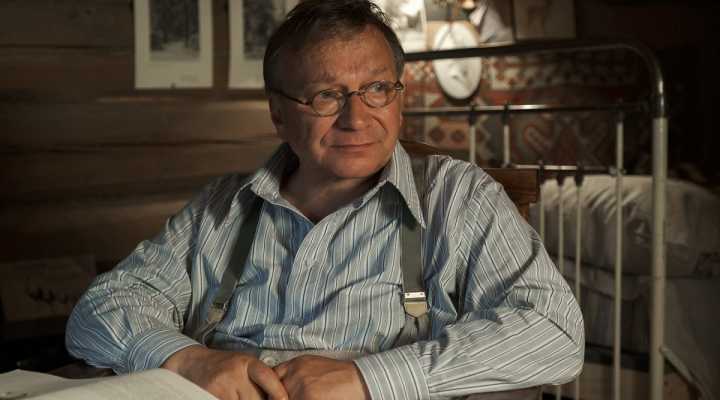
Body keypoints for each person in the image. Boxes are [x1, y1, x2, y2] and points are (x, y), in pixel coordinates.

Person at [66, 1, 584, 399]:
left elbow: (554, 331)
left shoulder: (459, 198)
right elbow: (100, 311)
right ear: (278, 114)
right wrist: (187, 359)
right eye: (326, 96)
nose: (357, 119)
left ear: (399, 98)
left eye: (376, 89)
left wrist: (368, 378)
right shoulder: (222, 207)